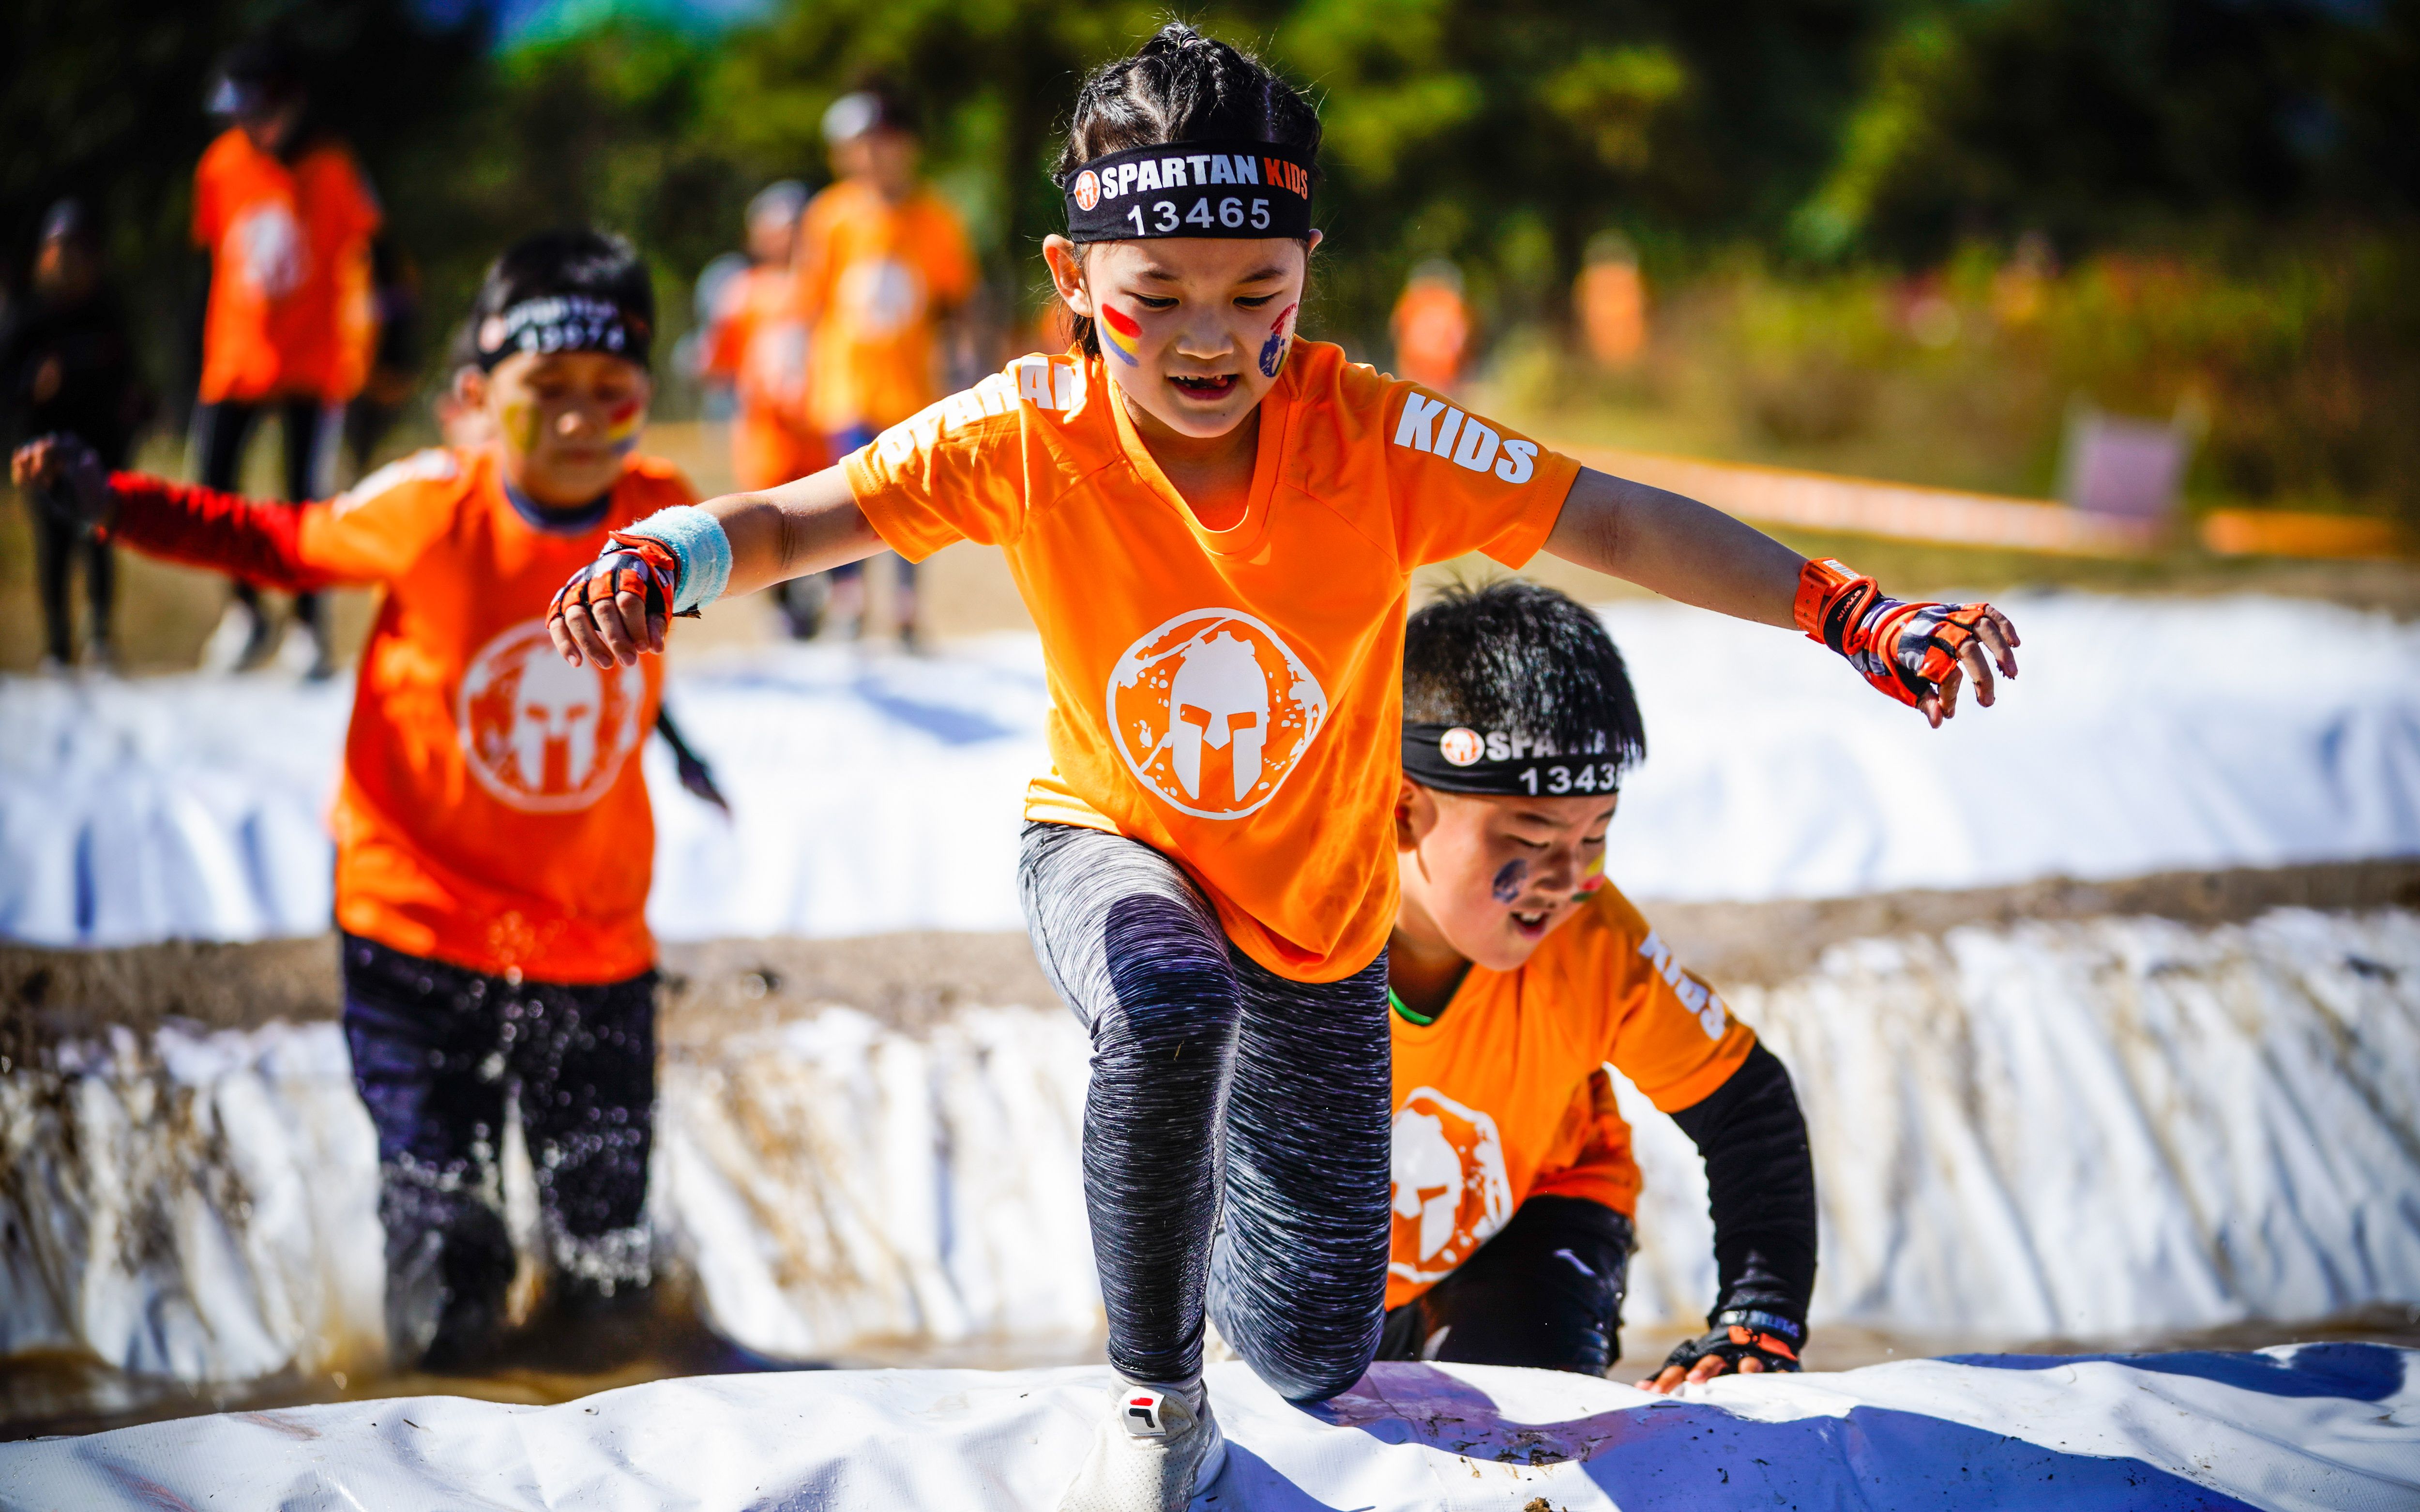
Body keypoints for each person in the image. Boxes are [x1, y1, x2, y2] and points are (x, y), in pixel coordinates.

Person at [546, 25, 2018, 1511]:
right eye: (1153, 300)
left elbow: (1616, 519)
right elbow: (801, 519)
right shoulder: (1022, 432)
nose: (1206, 341)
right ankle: (1151, 1397)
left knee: (1314, 1351)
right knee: (1166, 995)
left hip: (1318, 932)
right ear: (1072, 283)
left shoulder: (1367, 434)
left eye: (1257, 295)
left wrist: (1842, 607)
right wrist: (667, 555)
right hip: (1108, 847)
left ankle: (1237, 1318)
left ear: (1308, 266)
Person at [16, 229, 684, 1374]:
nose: (578, 422)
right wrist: (113, 502)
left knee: (610, 1260)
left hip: (595, 940)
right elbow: (273, 542)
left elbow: (798, 530)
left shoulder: (671, 520)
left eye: (609, 396)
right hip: (411, 930)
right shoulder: (428, 507)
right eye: (545, 395)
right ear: (476, 398)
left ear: (644, 400)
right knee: (445, 1256)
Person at [1374, 579, 1815, 1390]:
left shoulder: (1594, 938)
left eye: (1596, 834)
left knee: (1517, 1424)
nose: (1567, 879)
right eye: (1532, 836)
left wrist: (1761, 1313)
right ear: (1403, 810)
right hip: (1332, 1248)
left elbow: (1748, 1107)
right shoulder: (1292, 939)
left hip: (1544, 1202)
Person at [190, 38, 382, 678]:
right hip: (234, 356)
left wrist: (371, 360)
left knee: (304, 500)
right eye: (239, 112)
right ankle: (243, 611)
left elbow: (369, 260)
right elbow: (210, 265)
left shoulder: (332, 168)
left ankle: (308, 629)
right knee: (212, 486)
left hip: (310, 360)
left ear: (293, 104)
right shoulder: (220, 166)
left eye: (261, 109)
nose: (251, 125)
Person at [794, 85, 977, 645]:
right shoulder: (831, 215)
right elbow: (811, 299)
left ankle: (903, 608)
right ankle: (846, 601)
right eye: (857, 145)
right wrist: (797, 366)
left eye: (881, 142)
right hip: (845, 380)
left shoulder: (935, 218)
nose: (870, 156)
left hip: (911, 383)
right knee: (842, 497)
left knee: (912, 496)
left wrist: (967, 361)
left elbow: (958, 298)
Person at [0, 201, 148, 672]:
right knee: (53, 544)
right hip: (44, 453)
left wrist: (135, 410)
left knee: (100, 536)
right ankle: (58, 644)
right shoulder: (28, 316)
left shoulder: (106, 308)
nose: (66, 262)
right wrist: (31, 383)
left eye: (75, 250)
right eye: (57, 250)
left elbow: (132, 379)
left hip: (99, 447)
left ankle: (101, 635)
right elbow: (7, 387)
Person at [700, 180, 827, 637]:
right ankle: (788, 610)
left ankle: (831, 601)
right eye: (779, 228)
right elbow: (721, 359)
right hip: (766, 428)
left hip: (820, 423)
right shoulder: (743, 291)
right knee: (767, 519)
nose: (790, 238)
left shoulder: (823, 287)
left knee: (831, 513)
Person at [1390, 258, 1469, 393]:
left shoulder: (1412, 301)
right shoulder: (1451, 302)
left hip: (1415, 365)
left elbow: (1396, 327)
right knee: (1441, 406)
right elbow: (1460, 336)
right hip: (1444, 367)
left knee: (1413, 401)